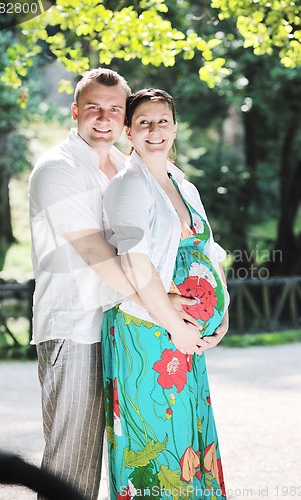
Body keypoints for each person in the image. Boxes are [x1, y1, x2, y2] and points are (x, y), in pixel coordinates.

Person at [29, 71, 202, 499]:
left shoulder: (130, 168)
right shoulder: (57, 168)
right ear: (75, 112)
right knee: (73, 460)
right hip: (75, 327)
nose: (103, 118)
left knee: (135, 451)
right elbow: (96, 253)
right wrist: (159, 302)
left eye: (114, 109)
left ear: (124, 119)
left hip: (125, 328)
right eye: (93, 108)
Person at [102, 88, 229, 500]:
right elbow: (137, 266)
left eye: (162, 121)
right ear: (128, 131)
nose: (154, 130)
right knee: (157, 448)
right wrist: (176, 327)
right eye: (144, 122)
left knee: (189, 442)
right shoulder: (128, 187)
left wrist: (223, 317)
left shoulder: (183, 185)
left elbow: (209, 253)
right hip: (150, 334)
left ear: (175, 127)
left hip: (187, 338)